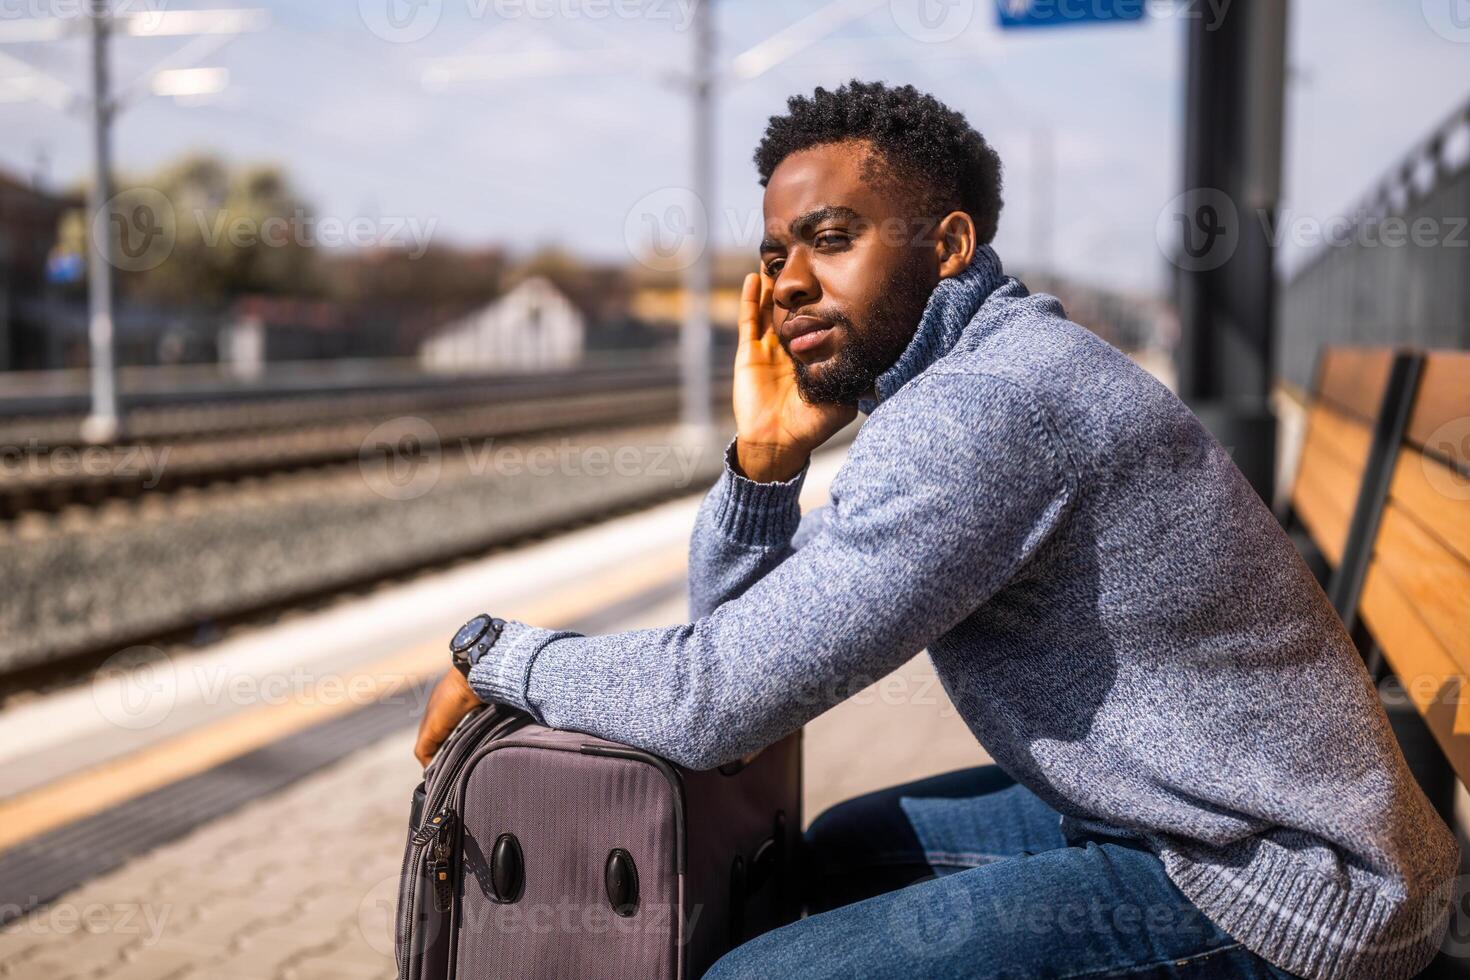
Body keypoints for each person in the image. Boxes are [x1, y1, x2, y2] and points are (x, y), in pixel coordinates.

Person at [414, 80, 1457, 979]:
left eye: (832, 239)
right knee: (839, 851)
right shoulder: (974, 383)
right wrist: (766, 468)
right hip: (1189, 811)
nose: (786, 283)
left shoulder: (986, 410)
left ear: (949, 244)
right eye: (775, 254)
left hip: (1288, 884)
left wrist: (497, 652)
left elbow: (717, 701)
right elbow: (751, 665)